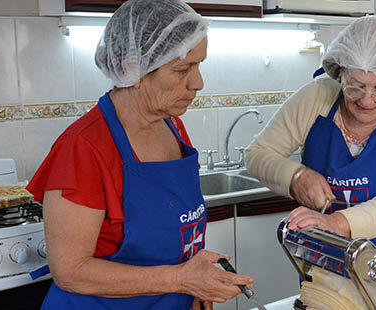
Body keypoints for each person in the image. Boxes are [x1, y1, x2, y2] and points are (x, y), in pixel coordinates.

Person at [26, 1, 253, 309]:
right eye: (182, 69)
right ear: (133, 69)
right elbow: (70, 271)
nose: (198, 83)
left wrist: (198, 283)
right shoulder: (82, 147)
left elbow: (177, 232)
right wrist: (182, 279)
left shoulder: (173, 127)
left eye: (199, 66)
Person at [245, 16, 376, 263]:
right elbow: (257, 154)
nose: (367, 100)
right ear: (340, 74)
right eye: (355, 85)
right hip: (329, 262)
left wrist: (334, 223)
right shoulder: (316, 97)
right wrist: (295, 177)